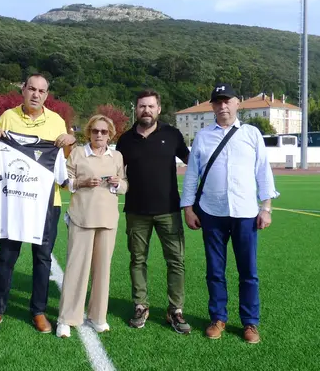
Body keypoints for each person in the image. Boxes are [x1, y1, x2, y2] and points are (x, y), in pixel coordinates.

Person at [180, 83, 279, 344]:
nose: (222, 106)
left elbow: (263, 171)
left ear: (237, 103)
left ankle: (250, 323)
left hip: (246, 212)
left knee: (248, 271)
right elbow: (192, 176)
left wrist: (266, 208)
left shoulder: (252, 134)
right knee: (215, 270)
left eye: (227, 101)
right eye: (217, 101)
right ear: (212, 106)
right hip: (212, 213)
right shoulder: (202, 137)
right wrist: (188, 208)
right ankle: (218, 318)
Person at [0, 74, 76, 334]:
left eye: (41, 91)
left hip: (47, 203)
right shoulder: (8, 117)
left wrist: (70, 141)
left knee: (42, 259)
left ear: (47, 95)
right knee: (6, 257)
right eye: (31, 89)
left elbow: (64, 164)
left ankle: (38, 311)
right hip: (12, 201)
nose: (36, 94)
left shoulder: (57, 121)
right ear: (23, 90)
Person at [115, 89, 192, 334]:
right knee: (138, 260)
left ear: (159, 109)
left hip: (169, 211)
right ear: (135, 110)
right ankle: (140, 305)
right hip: (136, 212)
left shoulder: (172, 135)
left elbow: (193, 163)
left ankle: (175, 310)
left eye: (150, 106)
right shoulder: (125, 140)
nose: (145, 110)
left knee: (176, 261)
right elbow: (115, 171)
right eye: (141, 106)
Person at [56, 115, 127, 338]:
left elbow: (124, 185)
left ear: (110, 134)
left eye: (104, 132)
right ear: (89, 132)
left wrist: (118, 184)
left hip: (107, 220)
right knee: (76, 269)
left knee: (102, 271)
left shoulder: (116, 156)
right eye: (95, 131)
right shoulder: (77, 153)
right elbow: (64, 181)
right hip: (81, 218)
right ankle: (67, 318)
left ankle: (98, 316)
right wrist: (82, 182)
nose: (99, 135)